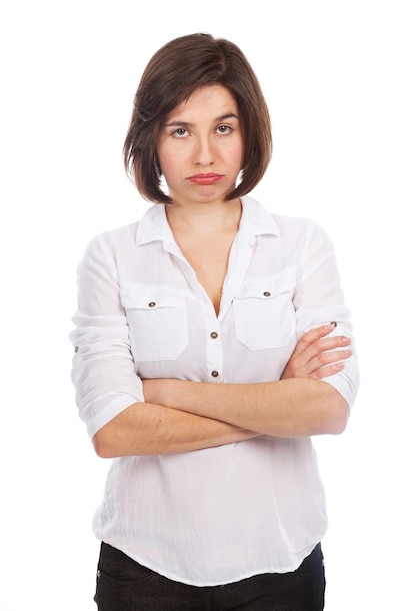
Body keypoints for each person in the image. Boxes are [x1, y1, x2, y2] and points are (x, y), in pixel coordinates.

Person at [70, 33, 359, 611]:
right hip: (145, 569)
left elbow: (328, 408)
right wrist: (276, 405)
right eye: (181, 130)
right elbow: (114, 430)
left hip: (282, 564)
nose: (205, 155)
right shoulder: (111, 256)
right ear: (151, 139)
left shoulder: (302, 245)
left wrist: (168, 394)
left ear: (250, 133)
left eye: (223, 128)